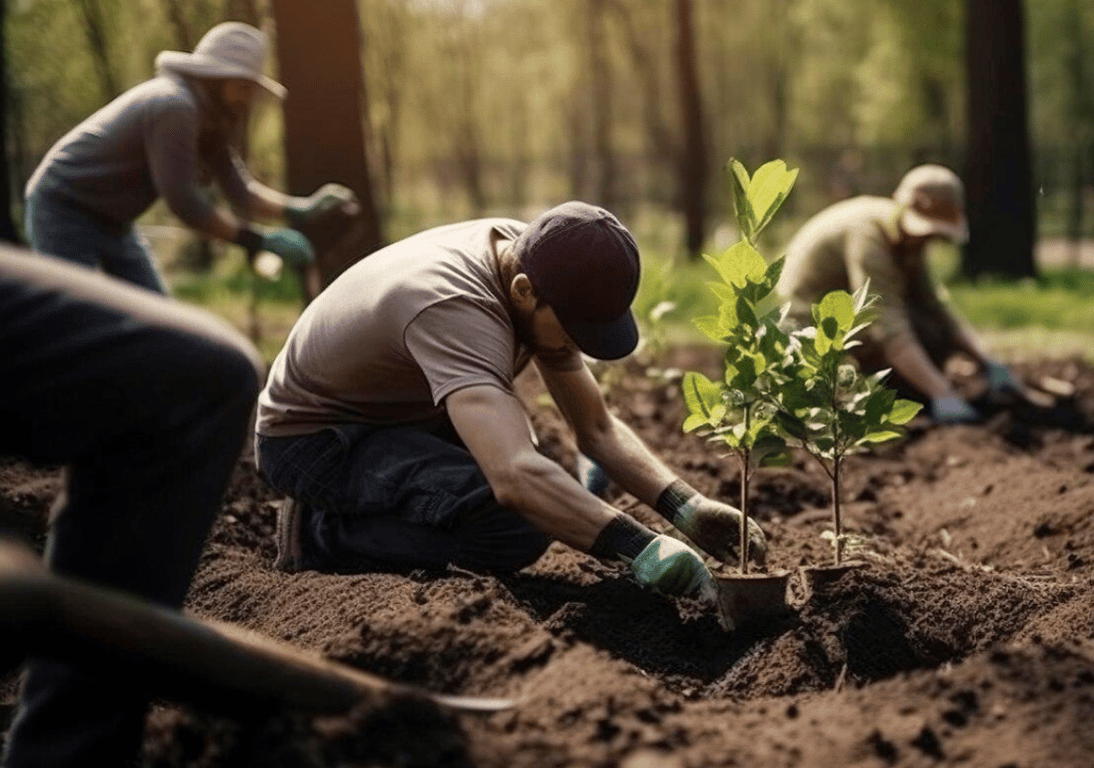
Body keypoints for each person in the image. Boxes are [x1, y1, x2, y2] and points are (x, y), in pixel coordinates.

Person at [255, 202, 765, 599]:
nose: (576, 346)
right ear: (524, 291)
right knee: (514, 526)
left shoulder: (533, 255)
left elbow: (597, 429)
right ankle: (320, 533)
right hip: (318, 440)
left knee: (542, 470)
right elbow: (515, 477)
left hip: (396, 410)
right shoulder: (456, 309)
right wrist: (640, 548)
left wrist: (686, 507)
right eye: (574, 331)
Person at [0, 246, 262, 767]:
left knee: (206, 374)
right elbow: (183, 195)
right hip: (73, 214)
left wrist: (269, 219)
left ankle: (69, 754)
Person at [22, 21, 358, 294]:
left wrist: (300, 208)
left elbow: (240, 191)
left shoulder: (211, 118)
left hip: (114, 221)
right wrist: (257, 240)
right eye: (241, 87)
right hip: (64, 207)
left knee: (157, 322)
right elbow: (184, 202)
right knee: (77, 317)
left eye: (249, 89)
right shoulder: (174, 106)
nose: (247, 99)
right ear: (215, 78)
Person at [776, 163, 1024, 423]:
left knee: (931, 332)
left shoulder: (906, 240)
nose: (927, 241)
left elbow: (935, 307)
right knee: (907, 355)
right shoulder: (867, 235)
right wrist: (942, 391)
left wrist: (987, 362)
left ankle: (913, 387)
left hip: (848, 309)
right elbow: (885, 323)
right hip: (807, 322)